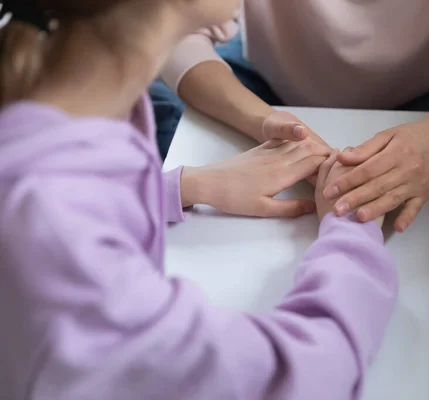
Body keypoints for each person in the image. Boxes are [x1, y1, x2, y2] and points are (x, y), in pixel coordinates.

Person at [0, 1, 397, 399]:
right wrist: (350, 223)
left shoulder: (64, 112)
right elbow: (306, 375)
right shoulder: (53, 229)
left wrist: (184, 186)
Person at [161, 0, 429, 232]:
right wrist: (263, 121)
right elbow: (167, 30)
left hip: (428, 98)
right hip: (261, 82)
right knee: (154, 104)